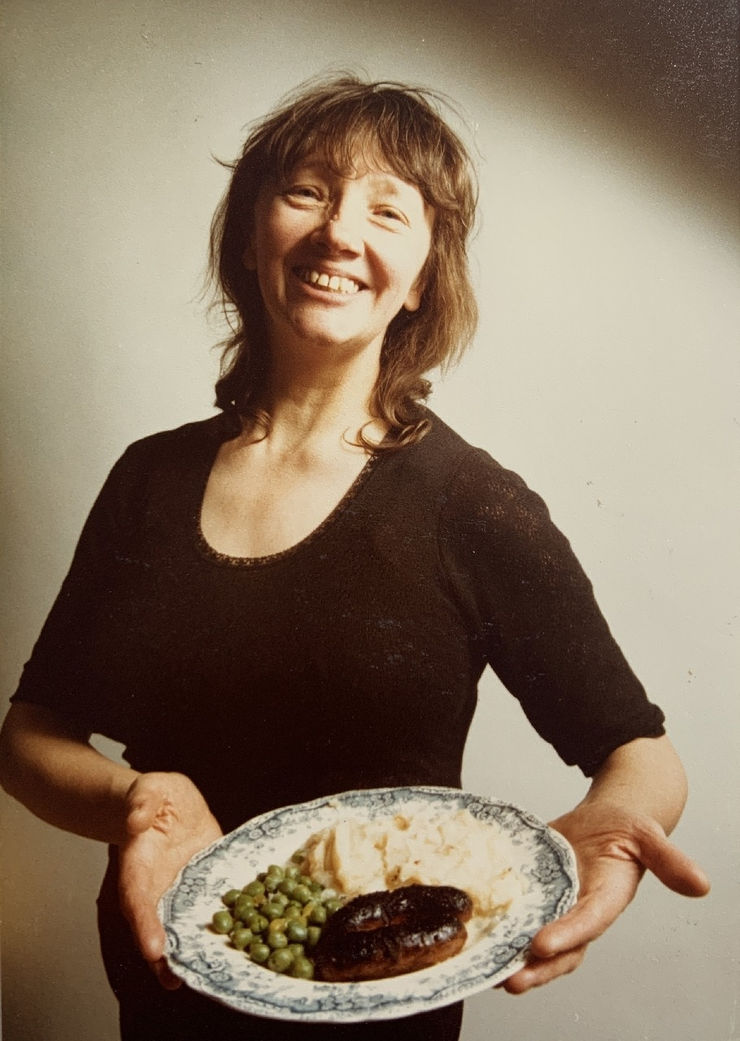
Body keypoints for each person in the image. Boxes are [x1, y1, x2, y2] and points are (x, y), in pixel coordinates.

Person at [0, 76, 709, 1041]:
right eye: (306, 191)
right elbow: (32, 738)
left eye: (387, 210)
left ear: (421, 277)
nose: (340, 233)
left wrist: (620, 824)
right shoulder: (149, 479)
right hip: (164, 1005)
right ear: (251, 238)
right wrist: (144, 800)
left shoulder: (472, 503)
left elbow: (640, 751)